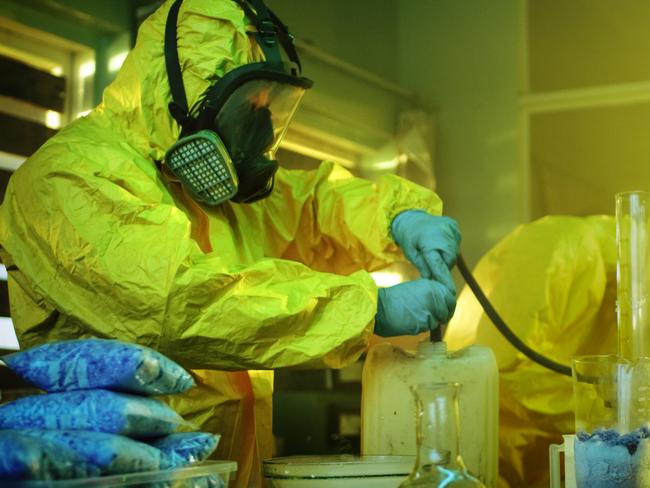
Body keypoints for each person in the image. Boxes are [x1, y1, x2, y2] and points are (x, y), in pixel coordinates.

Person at [0, 0, 460, 486]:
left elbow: (310, 206)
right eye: (250, 106)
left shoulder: (212, 191)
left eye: (271, 106)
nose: (260, 128)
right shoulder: (69, 177)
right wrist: (368, 309)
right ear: (184, 96)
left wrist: (398, 218)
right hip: (123, 478)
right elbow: (180, 302)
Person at [445, 215, 616, 488]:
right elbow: (510, 368)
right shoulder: (560, 244)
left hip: (538, 458)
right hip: (477, 449)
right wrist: (610, 413)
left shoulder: (623, 293)